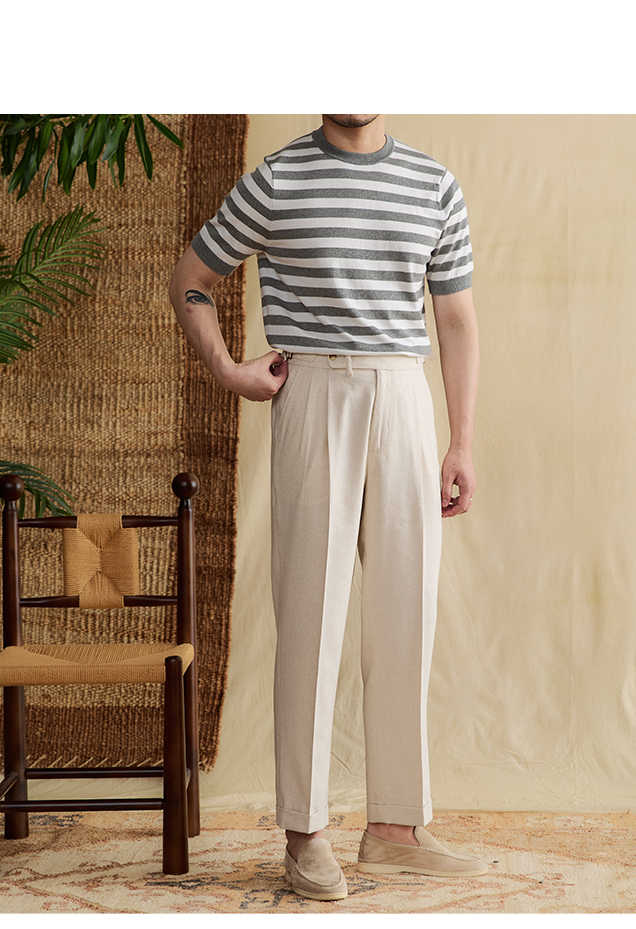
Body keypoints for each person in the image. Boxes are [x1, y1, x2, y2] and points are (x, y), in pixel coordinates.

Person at [170, 115, 487, 901]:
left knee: (407, 610)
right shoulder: (276, 180)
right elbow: (191, 278)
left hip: (404, 395)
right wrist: (228, 369)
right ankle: (304, 833)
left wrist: (461, 440)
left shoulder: (433, 185)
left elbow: (454, 316)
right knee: (311, 613)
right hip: (312, 388)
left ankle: (395, 829)